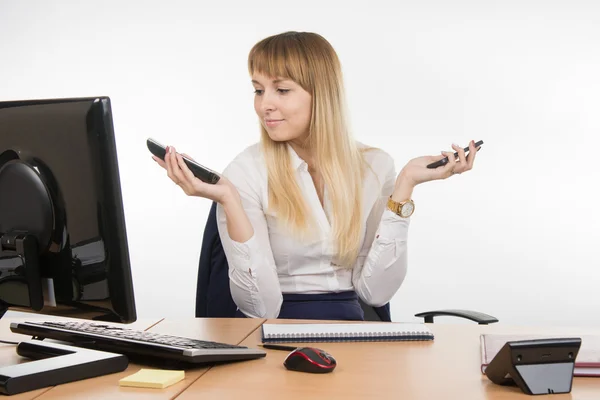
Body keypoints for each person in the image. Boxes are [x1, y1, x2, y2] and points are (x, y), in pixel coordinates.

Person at [152, 31, 480, 320]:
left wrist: (405, 186)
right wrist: (228, 199)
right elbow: (259, 308)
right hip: (276, 333)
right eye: (258, 90)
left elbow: (375, 293)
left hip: (357, 336)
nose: (264, 104)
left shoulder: (375, 167)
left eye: (281, 90)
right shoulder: (246, 170)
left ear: (321, 94)